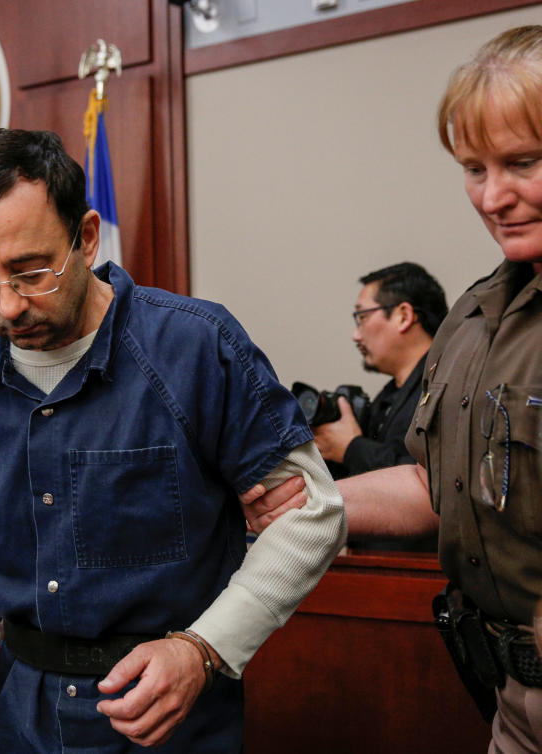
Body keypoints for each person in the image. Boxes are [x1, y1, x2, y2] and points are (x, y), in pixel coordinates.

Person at [0, 128, 346, 752]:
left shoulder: (195, 347)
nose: (7, 306)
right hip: (19, 712)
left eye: (30, 271)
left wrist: (203, 649)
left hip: (162, 715)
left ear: (86, 237)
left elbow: (312, 516)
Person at [241, 25, 542, 753]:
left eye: (523, 163)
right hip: (510, 697)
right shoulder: (476, 317)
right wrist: (309, 502)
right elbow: (440, 485)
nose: (493, 195)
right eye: (474, 168)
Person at [316, 262, 447, 480]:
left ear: (403, 316)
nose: (356, 335)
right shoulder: (390, 396)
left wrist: (351, 447)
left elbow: (428, 482)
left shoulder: (445, 386)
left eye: (362, 317)